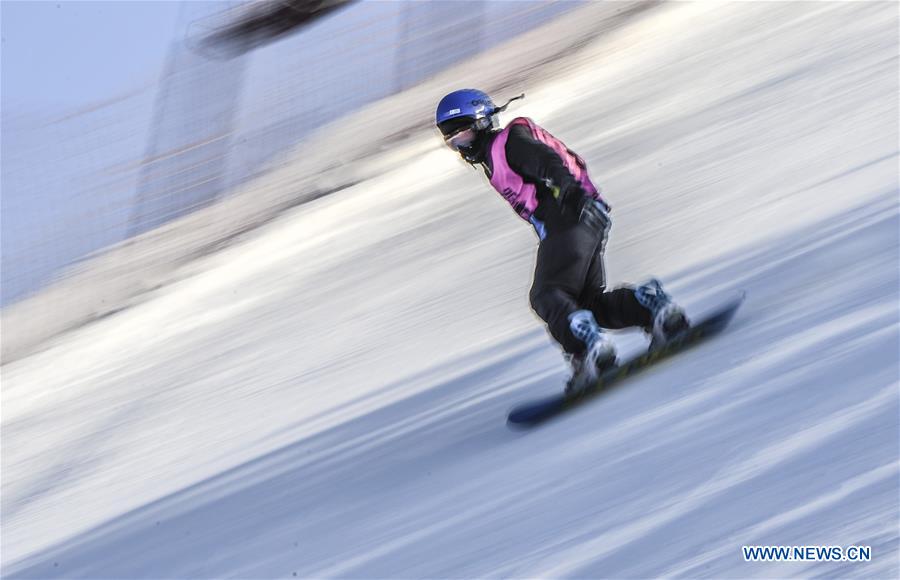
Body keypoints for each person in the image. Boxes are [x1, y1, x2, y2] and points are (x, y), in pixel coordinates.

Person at [435, 88, 689, 395]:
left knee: (547, 295)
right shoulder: (495, 155)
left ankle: (588, 352)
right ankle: (651, 308)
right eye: (453, 141)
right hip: (585, 218)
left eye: (464, 135)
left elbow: (547, 161)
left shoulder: (508, 143)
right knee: (586, 304)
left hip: (569, 217)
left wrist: (570, 192)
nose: (462, 147)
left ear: (482, 123)